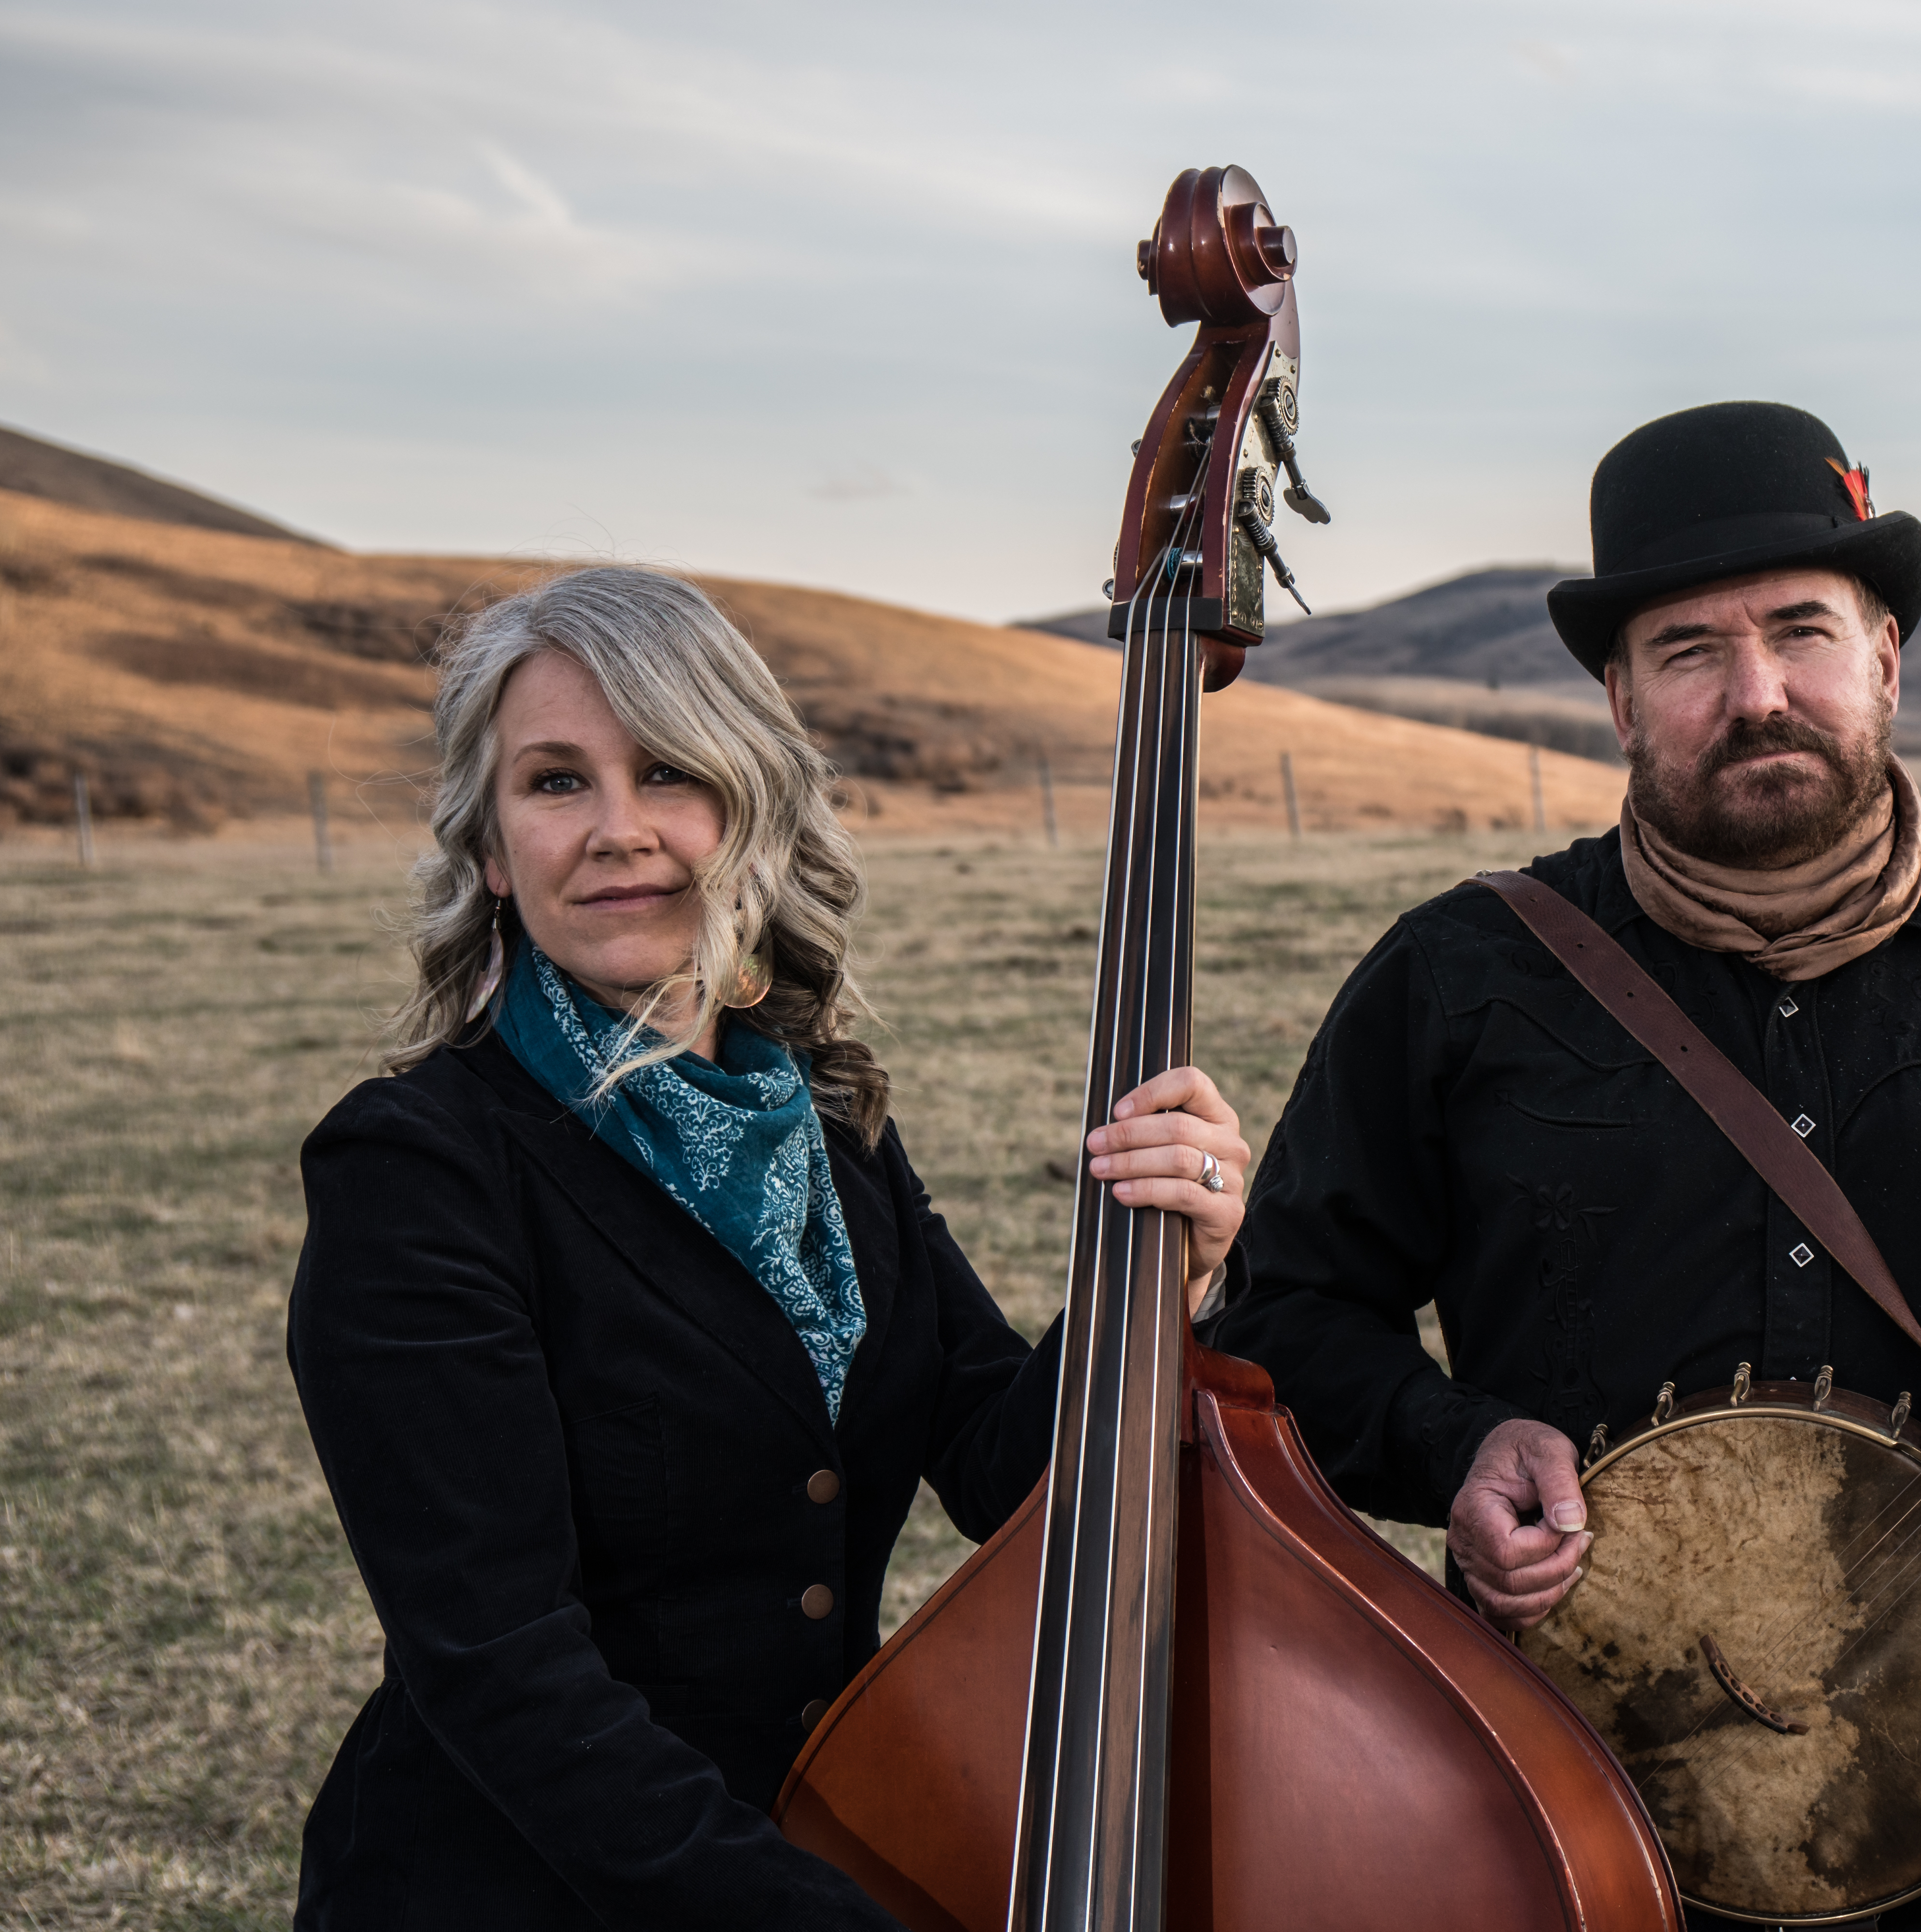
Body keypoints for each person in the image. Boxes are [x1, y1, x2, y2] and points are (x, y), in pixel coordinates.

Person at [1209, 402, 1921, 1932]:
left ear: (1887, 661)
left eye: (1804, 633)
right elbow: (1281, 1329)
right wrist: (1457, 1446)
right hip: (1566, 1839)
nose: (1758, 694)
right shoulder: (1458, 982)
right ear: (1619, 701)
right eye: (1689, 652)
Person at [286, 567, 1250, 1929]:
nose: (618, 831)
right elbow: (502, 1665)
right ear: (492, 849)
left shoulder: (828, 1128)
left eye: (669, 770)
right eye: (556, 782)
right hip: (521, 1890)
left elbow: (1003, 1466)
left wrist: (1173, 1277)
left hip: (823, 1833)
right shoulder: (418, 1168)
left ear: (750, 808)